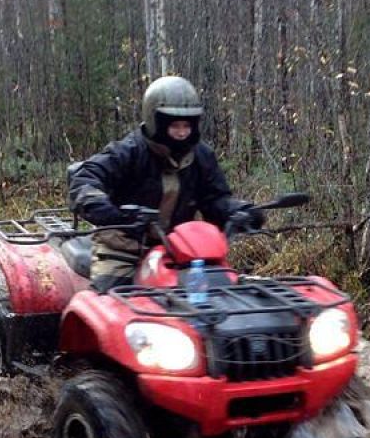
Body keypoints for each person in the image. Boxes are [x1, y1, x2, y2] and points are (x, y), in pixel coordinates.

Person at [68, 75, 262, 290]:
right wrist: (114, 213)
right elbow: (86, 178)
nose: (181, 133)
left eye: (187, 126)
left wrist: (238, 211)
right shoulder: (128, 151)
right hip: (124, 249)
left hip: (182, 250)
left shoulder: (201, 156)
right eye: (175, 126)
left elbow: (214, 198)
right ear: (155, 123)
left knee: (222, 294)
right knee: (112, 303)